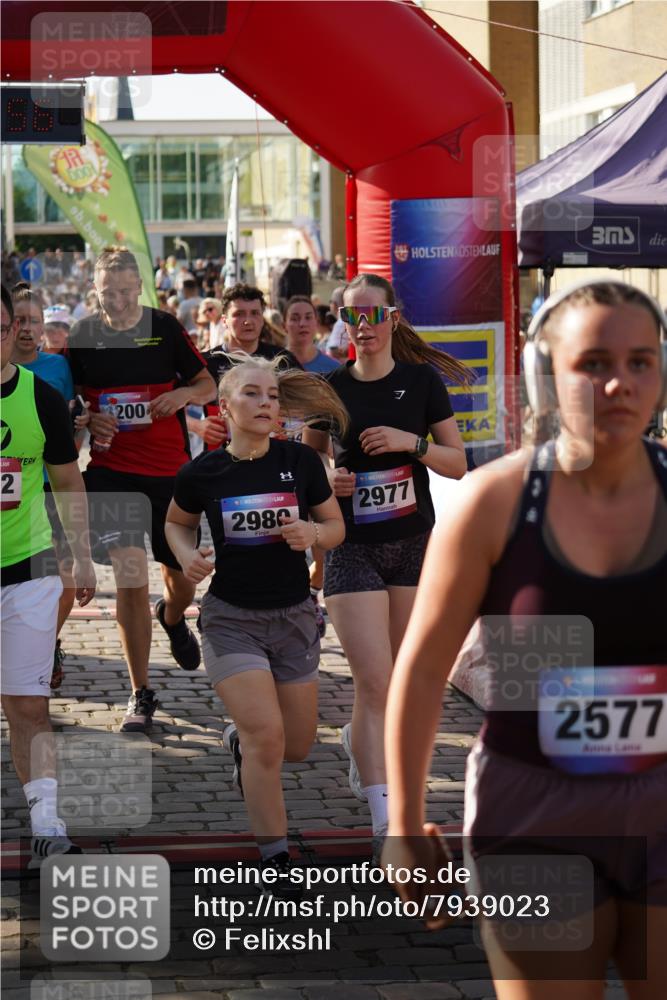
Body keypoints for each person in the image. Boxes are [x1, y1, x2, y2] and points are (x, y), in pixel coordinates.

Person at [384, 279, 667, 997]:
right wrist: (407, 821)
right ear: (544, 374)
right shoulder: (492, 503)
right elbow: (419, 671)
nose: (618, 384)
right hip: (533, 813)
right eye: (593, 362)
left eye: (640, 362)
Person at [165, 355, 347, 894]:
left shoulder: (301, 463)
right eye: (252, 394)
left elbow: (335, 526)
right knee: (266, 737)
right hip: (230, 619)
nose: (266, 403)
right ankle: (275, 856)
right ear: (225, 406)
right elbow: (176, 522)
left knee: (297, 746)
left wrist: (314, 536)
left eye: (272, 395)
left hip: (293, 616)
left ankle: (241, 745)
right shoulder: (203, 472)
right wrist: (186, 556)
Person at [302, 273, 469, 856]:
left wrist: (410, 443)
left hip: (412, 543)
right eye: (354, 317)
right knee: (373, 681)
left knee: (399, 680)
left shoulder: (420, 381)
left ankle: (360, 742)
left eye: (374, 315)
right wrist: (329, 479)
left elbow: (456, 464)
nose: (364, 327)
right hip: (350, 545)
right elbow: (307, 469)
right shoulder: (328, 387)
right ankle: (384, 816)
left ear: (393, 318)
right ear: (341, 322)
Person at [67, 246, 216, 733]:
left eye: (127, 293)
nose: (118, 303)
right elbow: (69, 408)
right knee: (131, 576)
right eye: (108, 294)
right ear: (96, 291)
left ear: (140, 289)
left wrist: (182, 395)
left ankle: (173, 619)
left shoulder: (165, 327)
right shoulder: (83, 336)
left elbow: (208, 384)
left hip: (169, 474)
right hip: (112, 475)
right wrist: (87, 417)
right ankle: (140, 690)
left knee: (183, 581)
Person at [1, 283, 96, 865]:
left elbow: (67, 481)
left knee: (27, 706)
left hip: (29, 572)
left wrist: (81, 554)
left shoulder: (39, 398)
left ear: (14, 331)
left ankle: (47, 822)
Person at [11, 283, 83, 689]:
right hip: (14, 494)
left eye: (34, 321)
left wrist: (77, 438)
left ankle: (48, 639)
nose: (26, 328)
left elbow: (73, 422)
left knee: (65, 578)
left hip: (51, 487)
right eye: (18, 320)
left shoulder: (57, 369)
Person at [190, 283, 301, 454]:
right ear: (224, 321)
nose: (248, 321)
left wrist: (287, 422)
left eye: (255, 313)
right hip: (219, 458)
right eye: (239, 314)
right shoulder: (205, 362)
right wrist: (197, 425)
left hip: (271, 458)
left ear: (263, 318)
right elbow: (170, 405)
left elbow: (311, 404)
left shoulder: (282, 359)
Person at [283, 296, 340, 375]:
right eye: (295, 318)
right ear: (284, 326)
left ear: (316, 323)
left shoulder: (334, 369)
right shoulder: (274, 368)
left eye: (308, 317)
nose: (302, 324)